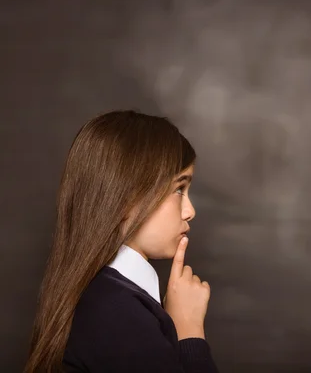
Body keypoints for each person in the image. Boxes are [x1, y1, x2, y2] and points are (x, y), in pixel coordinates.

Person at [24, 110, 219, 372]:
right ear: (127, 199)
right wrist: (189, 331)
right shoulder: (118, 313)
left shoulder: (105, 298)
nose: (190, 211)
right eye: (178, 189)